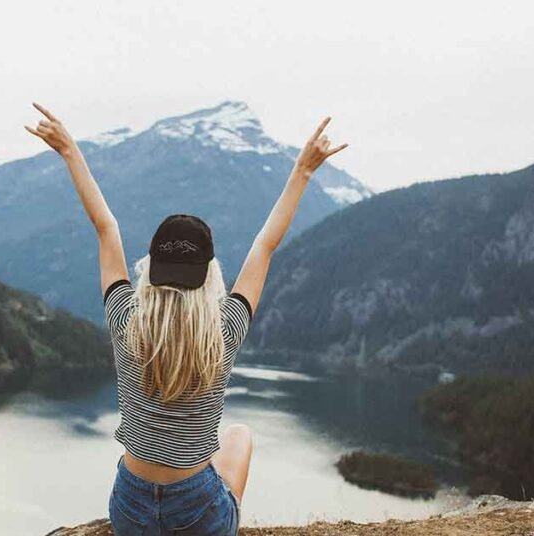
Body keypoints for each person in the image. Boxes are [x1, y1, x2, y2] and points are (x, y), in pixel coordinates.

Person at [26, 102, 346, 535]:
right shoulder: (224, 330)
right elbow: (265, 245)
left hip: (130, 508)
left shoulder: (126, 320)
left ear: (150, 271)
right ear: (208, 276)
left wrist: (69, 152)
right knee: (238, 437)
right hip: (199, 516)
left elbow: (105, 227)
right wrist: (303, 173)